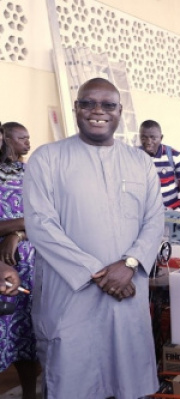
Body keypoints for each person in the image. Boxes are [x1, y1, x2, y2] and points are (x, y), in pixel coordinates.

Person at [23, 78, 165, 398]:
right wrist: (98, 272)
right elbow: (41, 225)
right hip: (71, 295)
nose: (97, 111)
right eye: (88, 103)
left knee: (127, 381)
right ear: (76, 109)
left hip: (127, 295)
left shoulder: (140, 162)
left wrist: (130, 263)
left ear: (120, 111)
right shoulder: (47, 159)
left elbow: (155, 220)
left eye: (108, 105)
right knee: (73, 379)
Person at [0, 122, 38, 399]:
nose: (27, 143)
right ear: (6, 139)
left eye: (28, 138)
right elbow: (35, 217)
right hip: (2, 271)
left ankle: (28, 394)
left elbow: (46, 218)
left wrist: (18, 234)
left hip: (27, 266)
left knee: (26, 335)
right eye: (21, 138)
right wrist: (24, 223)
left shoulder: (29, 173)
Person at [139, 119, 180, 212]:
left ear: (161, 138)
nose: (148, 142)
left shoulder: (174, 156)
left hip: (171, 213)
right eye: (144, 138)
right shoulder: (134, 156)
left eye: (153, 138)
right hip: (144, 214)